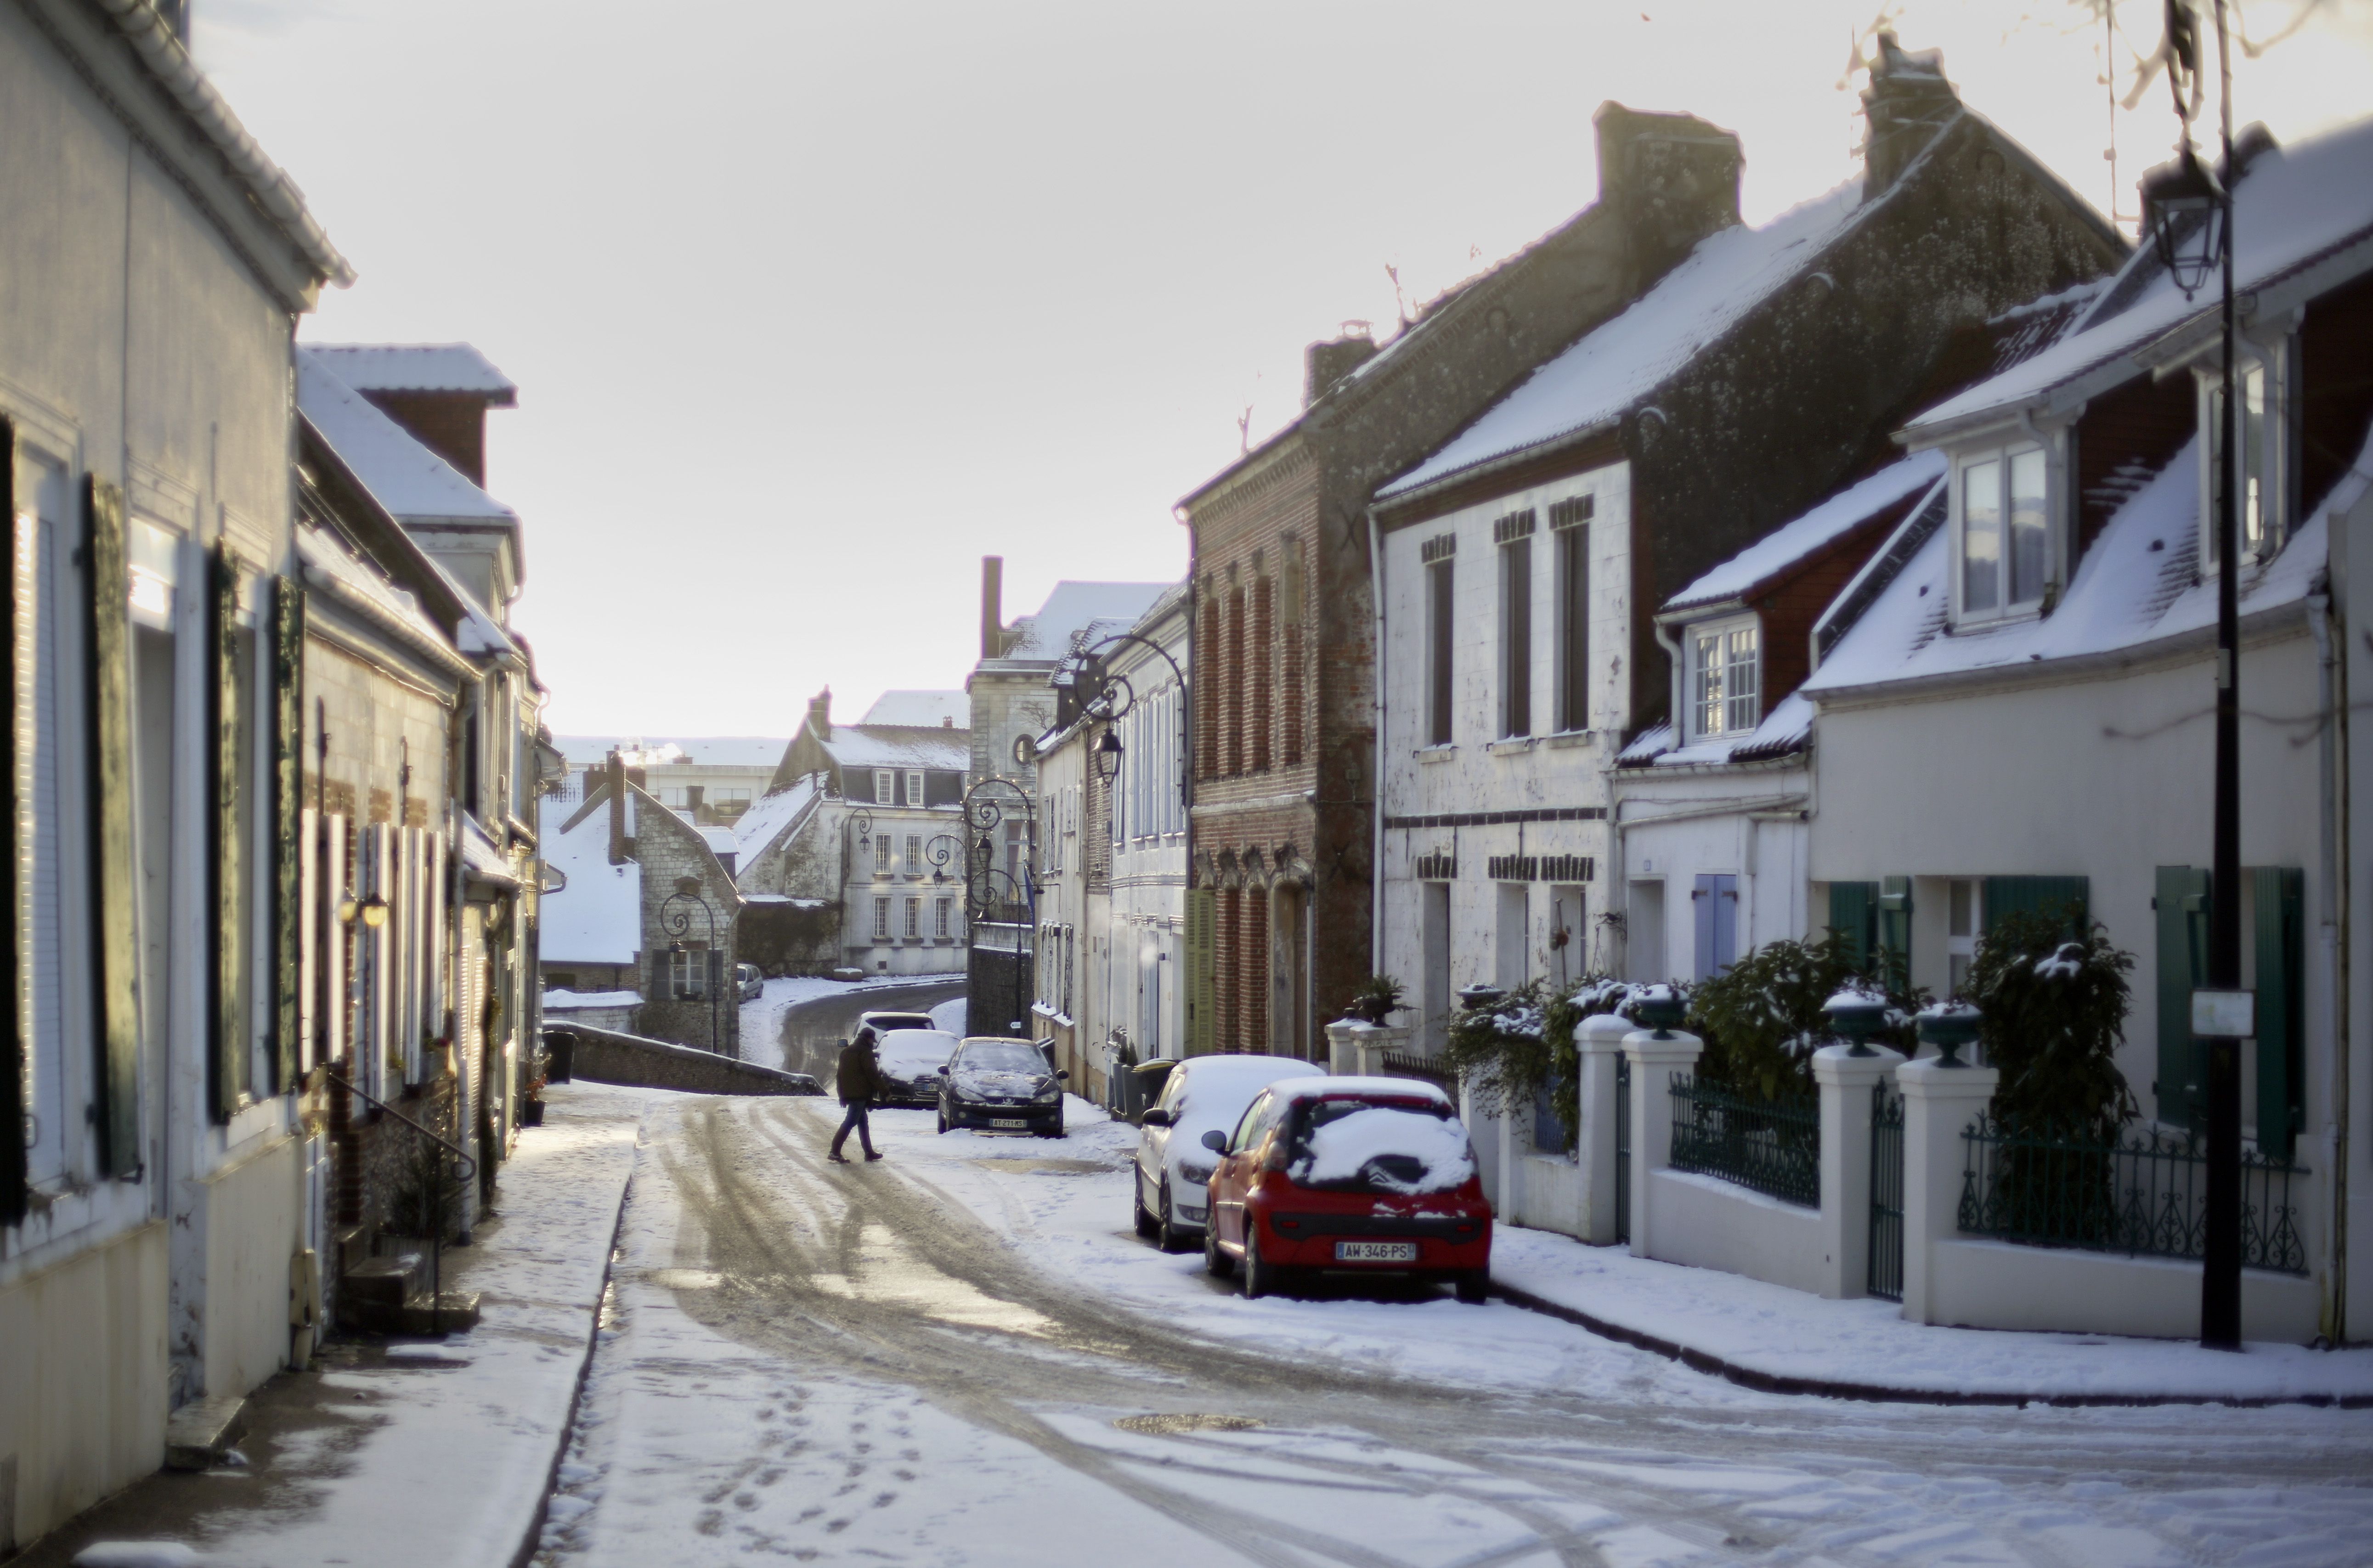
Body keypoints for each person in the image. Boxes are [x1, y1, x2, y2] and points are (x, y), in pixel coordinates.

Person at [829, 1027, 884, 1163]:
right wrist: (885, 1091)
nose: (873, 1043)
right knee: (850, 1122)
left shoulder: (846, 1051)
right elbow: (872, 1074)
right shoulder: (865, 1052)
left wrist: (842, 1094)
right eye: (872, 1040)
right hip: (860, 1094)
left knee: (863, 1122)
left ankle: (869, 1153)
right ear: (869, 1039)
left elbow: (839, 1075)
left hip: (850, 1093)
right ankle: (834, 1152)